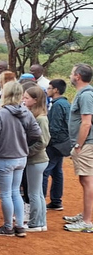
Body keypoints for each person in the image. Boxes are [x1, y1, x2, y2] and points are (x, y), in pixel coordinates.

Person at [0, 81, 42, 237]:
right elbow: (36, 133)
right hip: (21, 157)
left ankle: (7, 226)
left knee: (6, 193)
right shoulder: (26, 112)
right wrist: (23, 141)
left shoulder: (0, 113)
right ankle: (19, 226)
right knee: (15, 192)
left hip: (5, 157)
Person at [64, 64, 93, 232]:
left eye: (71, 72)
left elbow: (86, 122)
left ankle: (87, 222)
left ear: (78, 77)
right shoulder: (83, 94)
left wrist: (78, 146)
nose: (70, 75)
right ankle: (85, 215)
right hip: (85, 144)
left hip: (86, 144)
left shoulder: (86, 95)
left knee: (88, 181)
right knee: (84, 180)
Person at [23, 86, 50, 232]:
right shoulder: (36, 116)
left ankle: (35, 223)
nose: (24, 100)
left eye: (27, 98)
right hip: (37, 160)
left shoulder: (41, 118)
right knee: (37, 193)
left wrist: (26, 152)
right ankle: (40, 221)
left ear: (35, 100)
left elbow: (43, 141)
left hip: (37, 160)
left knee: (34, 193)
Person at [44, 79, 71, 211]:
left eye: (49, 88)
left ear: (55, 90)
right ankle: (56, 200)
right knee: (57, 171)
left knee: (45, 171)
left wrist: (48, 143)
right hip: (63, 143)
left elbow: (54, 127)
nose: (47, 90)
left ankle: (40, 200)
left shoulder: (57, 105)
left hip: (55, 144)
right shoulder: (65, 103)